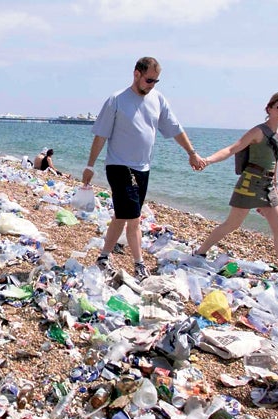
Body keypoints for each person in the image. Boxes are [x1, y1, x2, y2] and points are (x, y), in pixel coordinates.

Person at [83, 56, 204, 281]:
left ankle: (103, 258)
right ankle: (139, 264)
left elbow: (175, 128)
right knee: (133, 216)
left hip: (143, 168)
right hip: (119, 165)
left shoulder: (158, 99)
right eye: (149, 80)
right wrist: (90, 165)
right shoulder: (116, 100)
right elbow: (101, 135)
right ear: (136, 74)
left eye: (156, 81)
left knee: (123, 216)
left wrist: (191, 153)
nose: (152, 85)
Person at [195, 92, 278, 276]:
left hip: (269, 186)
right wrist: (207, 160)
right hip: (250, 183)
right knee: (232, 224)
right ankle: (201, 251)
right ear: (269, 109)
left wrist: (276, 183)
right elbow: (232, 149)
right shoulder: (258, 131)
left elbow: (275, 159)